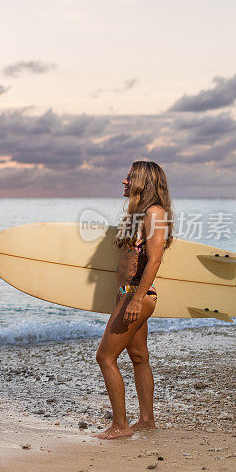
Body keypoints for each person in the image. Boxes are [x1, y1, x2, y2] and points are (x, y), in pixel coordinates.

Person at [95, 160, 174, 440]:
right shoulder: (138, 215)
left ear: (144, 182)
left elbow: (155, 259)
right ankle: (146, 420)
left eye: (130, 178)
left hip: (136, 296)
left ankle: (120, 425)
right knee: (139, 357)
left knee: (105, 356)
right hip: (128, 294)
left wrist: (137, 298)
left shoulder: (154, 213)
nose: (124, 182)